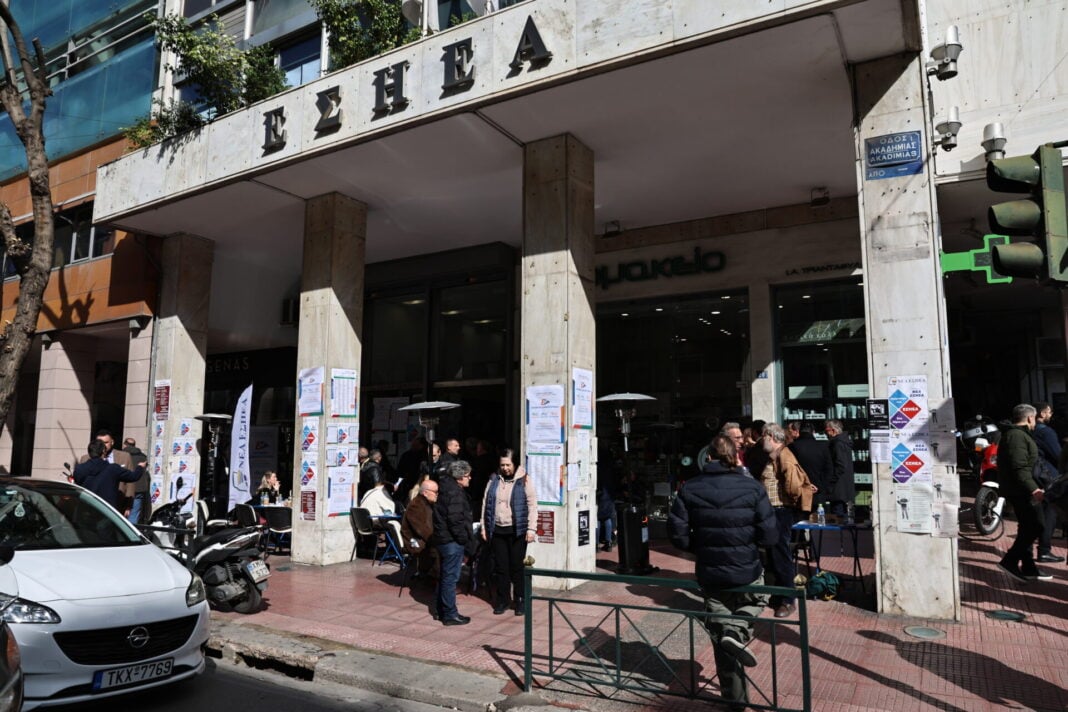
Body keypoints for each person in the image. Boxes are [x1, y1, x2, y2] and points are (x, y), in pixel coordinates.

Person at [668, 435, 777, 711]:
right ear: (736, 457)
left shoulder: (690, 488)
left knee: (721, 634)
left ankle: (735, 700)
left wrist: (700, 547)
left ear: (708, 457)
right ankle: (737, 630)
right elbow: (770, 535)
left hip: (711, 572)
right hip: (747, 569)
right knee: (759, 599)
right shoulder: (753, 487)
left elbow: (677, 533)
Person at [755, 423, 817, 618]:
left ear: (773, 437)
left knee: (781, 556)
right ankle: (778, 595)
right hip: (772, 511)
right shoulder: (774, 456)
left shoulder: (784, 455)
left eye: (764, 436)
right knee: (773, 556)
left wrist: (789, 500)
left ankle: (789, 600)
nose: (762, 440)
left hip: (780, 511)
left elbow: (793, 485)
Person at [997, 404, 1053, 582]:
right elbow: (1019, 466)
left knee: (1027, 526)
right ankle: (1010, 561)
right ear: (1030, 418)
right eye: (1034, 418)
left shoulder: (1020, 434)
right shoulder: (1016, 436)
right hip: (1021, 490)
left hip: (1022, 488)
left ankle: (1028, 567)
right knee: (1036, 525)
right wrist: (1033, 488)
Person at [481, 448, 537, 615]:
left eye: (508, 465)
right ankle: (503, 600)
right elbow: (485, 503)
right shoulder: (493, 479)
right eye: (502, 465)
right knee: (501, 567)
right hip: (497, 529)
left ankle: (520, 600)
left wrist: (531, 529)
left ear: (515, 464)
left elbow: (533, 505)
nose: (505, 468)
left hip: (517, 531)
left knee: (517, 567)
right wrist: (484, 526)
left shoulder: (525, 479)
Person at [432, 460, 475, 626]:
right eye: (467, 475)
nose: (470, 478)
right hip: (451, 541)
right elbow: (455, 520)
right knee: (450, 578)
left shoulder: (445, 488)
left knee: (445, 576)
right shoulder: (455, 493)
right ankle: (450, 614)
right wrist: (464, 540)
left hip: (444, 539)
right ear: (459, 477)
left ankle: (440, 610)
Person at [1031, 402, 1064, 563]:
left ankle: (1031, 550)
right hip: (1048, 476)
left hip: (1034, 475)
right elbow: (1058, 455)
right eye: (1049, 412)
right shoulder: (1046, 432)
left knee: (1034, 514)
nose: (1050, 415)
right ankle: (1044, 550)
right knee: (1050, 512)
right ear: (1042, 414)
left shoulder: (1030, 430)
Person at [74, 440, 146, 509]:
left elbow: (77, 484)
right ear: (103, 451)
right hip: (106, 510)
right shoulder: (112, 469)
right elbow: (134, 476)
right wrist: (140, 467)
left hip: (86, 506)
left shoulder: (79, 469)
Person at [79, 429, 135, 508]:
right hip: (92, 503)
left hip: (117, 502)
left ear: (112, 442)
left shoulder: (125, 457)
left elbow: (130, 484)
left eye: (106, 442)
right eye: (100, 442)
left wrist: (129, 504)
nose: (103, 446)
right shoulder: (85, 458)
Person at [401, 479, 439, 578]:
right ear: (425, 493)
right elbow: (423, 530)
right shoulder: (416, 506)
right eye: (435, 492)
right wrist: (439, 539)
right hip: (415, 542)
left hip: (422, 539)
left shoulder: (427, 504)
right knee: (443, 548)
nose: (437, 494)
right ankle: (436, 579)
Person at [788, 421, 832, 497]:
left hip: (799, 490)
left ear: (799, 432)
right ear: (813, 432)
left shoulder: (792, 447)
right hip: (818, 490)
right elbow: (829, 470)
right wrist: (821, 487)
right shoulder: (822, 447)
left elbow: (789, 469)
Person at [359, 471, 402, 546]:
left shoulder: (368, 492)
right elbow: (390, 512)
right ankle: (401, 547)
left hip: (362, 524)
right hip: (373, 524)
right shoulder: (382, 493)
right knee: (395, 523)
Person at [823, 420, 856, 518]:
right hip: (844, 488)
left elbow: (840, 465)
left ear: (833, 430)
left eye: (826, 431)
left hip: (838, 489)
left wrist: (831, 481)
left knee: (838, 517)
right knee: (843, 516)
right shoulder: (843, 442)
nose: (825, 434)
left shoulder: (837, 443)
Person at [120, 438, 149, 524]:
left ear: (125, 445)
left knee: (119, 513)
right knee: (134, 515)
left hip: (125, 489)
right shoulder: (143, 457)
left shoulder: (121, 455)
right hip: (139, 489)